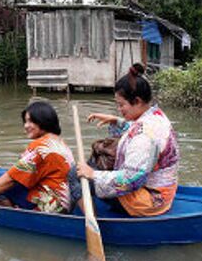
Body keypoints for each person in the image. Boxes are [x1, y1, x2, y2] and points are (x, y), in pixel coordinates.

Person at [74, 63, 180, 217]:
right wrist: (116, 121)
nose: (119, 109)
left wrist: (93, 175)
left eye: (121, 105)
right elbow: (136, 129)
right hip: (163, 192)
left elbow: (131, 180)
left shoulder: (144, 137)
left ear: (137, 101)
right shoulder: (156, 116)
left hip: (148, 200)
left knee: (75, 175)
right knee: (90, 167)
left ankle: (92, 220)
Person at [0, 101, 74, 214]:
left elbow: (11, 178)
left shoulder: (41, 146)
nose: (26, 126)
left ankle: (11, 217)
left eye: (31, 121)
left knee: (1, 184)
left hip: (50, 206)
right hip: (64, 203)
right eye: (25, 121)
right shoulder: (61, 143)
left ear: (43, 121)